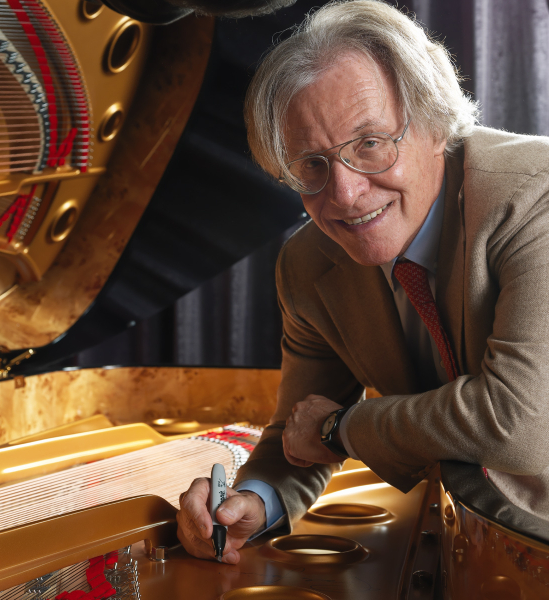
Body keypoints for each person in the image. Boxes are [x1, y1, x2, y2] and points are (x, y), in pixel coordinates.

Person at [177, 0, 549, 564]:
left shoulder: (535, 198)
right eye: (311, 165)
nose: (345, 194)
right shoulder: (308, 265)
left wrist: (339, 428)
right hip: (478, 533)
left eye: (370, 144)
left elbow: (519, 423)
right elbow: (297, 431)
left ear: (434, 123)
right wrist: (251, 501)